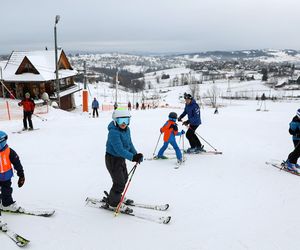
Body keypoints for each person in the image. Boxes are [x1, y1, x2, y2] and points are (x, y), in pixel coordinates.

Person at [105, 108, 143, 212]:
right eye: (120, 120)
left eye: (126, 120)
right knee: (119, 182)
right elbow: (119, 150)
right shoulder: (113, 133)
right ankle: (113, 203)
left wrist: (136, 155)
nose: (123, 123)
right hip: (112, 159)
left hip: (121, 159)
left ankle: (116, 196)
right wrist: (132, 157)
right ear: (115, 121)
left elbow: (129, 144)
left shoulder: (127, 130)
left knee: (124, 178)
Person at [0, 131, 25, 213]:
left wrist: (21, 175)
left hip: (6, 177)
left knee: (6, 190)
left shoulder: (9, 151)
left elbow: (17, 162)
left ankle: (6, 204)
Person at [285, 109, 300, 173]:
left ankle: (289, 161)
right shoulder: (294, 122)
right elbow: (291, 131)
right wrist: (297, 133)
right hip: (296, 139)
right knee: (297, 151)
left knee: (297, 151)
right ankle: (291, 163)